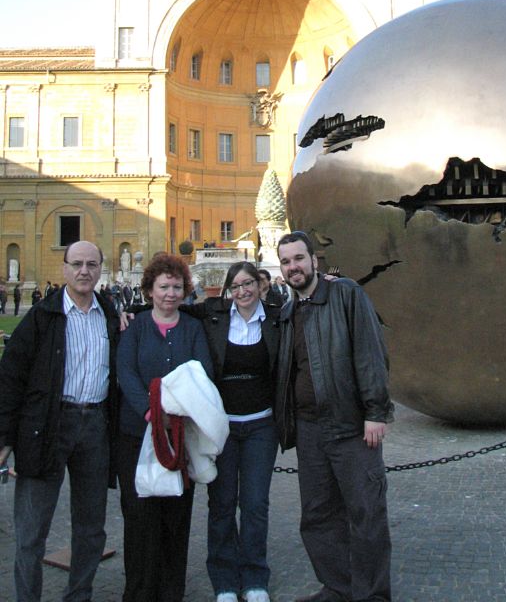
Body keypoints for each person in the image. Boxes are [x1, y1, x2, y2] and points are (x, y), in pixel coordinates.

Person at [275, 231, 394, 602]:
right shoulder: (288, 311)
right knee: (317, 514)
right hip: (310, 430)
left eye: (298, 258)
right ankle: (338, 587)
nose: (293, 266)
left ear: (313, 260)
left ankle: (372, 594)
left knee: (366, 512)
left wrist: (376, 412)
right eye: (286, 261)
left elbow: (370, 352)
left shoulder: (345, 294)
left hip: (351, 426)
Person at [0, 240, 120, 602]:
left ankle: (78, 595)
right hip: (48, 425)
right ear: (65, 268)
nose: (85, 271)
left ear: (100, 268)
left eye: (91, 264)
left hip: (95, 425)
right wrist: (4, 439)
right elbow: (10, 379)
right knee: (32, 530)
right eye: (77, 264)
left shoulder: (111, 315)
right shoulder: (42, 316)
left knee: (90, 527)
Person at [117, 253, 214, 602]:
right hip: (137, 434)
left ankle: (172, 592)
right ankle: (140, 591)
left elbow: (203, 374)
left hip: (179, 435)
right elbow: (125, 371)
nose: (171, 294)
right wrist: (148, 409)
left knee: (176, 516)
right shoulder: (136, 326)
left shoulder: (192, 328)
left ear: (186, 290)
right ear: (149, 290)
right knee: (141, 517)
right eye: (164, 287)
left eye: (177, 287)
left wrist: (180, 411)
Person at [189, 262, 280, 602]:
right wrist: (124, 313)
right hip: (222, 427)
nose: (242, 291)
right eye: (236, 285)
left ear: (260, 285)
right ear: (228, 289)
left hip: (261, 425)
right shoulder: (214, 315)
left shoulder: (275, 318)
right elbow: (172, 308)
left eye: (248, 284)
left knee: (255, 504)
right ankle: (224, 579)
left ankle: (256, 577)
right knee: (222, 504)